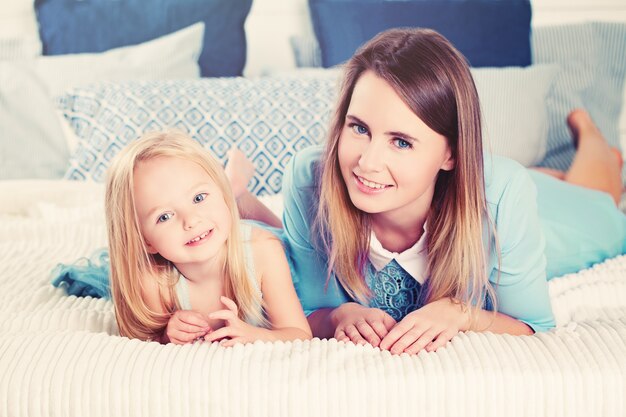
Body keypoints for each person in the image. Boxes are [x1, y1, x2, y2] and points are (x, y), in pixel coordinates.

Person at [266, 28, 626, 355]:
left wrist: (463, 314)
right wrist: (337, 316)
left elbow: (535, 327)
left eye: (401, 142)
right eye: (359, 128)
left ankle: (594, 141)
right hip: (479, 183)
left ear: (451, 153)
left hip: (511, 203)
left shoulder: (503, 196)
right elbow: (306, 309)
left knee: (604, 209)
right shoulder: (309, 180)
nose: (368, 163)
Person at [104, 130, 311, 345]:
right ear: (144, 240)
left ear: (220, 193)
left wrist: (254, 335)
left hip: (277, 251)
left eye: (198, 197)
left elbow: (299, 333)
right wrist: (167, 334)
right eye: (164, 216)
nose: (191, 220)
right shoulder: (153, 281)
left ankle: (235, 187)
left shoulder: (264, 252)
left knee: (286, 236)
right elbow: (140, 340)